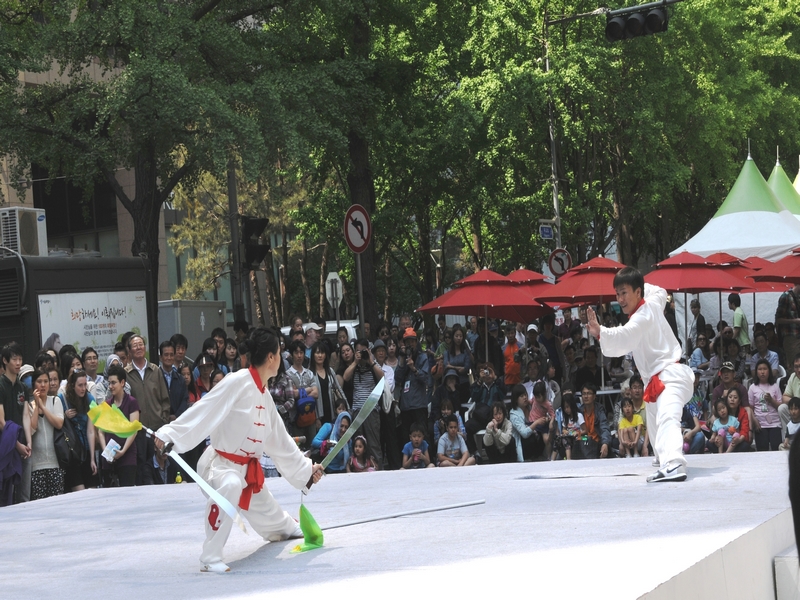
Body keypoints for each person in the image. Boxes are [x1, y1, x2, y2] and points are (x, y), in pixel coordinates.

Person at [154, 327, 324, 573]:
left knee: (278, 523)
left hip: (248, 473)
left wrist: (307, 470)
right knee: (232, 484)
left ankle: (285, 526)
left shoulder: (264, 394)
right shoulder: (237, 381)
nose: (280, 357)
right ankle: (210, 556)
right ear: (271, 357)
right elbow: (205, 409)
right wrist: (168, 434)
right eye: (279, 353)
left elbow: (280, 441)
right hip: (219, 467)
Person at [588, 270, 694, 480]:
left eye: (624, 293)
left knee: (667, 417)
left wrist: (600, 331)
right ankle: (663, 457)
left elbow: (624, 335)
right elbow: (660, 291)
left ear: (638, 292)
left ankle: (674, 463)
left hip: (670, 377)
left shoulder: (641, 317)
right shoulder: (653, 301)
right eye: (617, 294)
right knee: (654, 421)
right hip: (657, 379)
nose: (620, 299)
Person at [125, 334, 170, 486]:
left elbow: (165, 399)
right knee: (141, 467)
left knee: (157, 465)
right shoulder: (126, 373)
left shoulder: (155, 370)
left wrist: (163, 420)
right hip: (138, 430)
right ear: (129, 350)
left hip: (157, 429)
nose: (138, 348)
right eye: (135, 345)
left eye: (141, 344)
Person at [342, 339, 384, 467]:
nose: (361, 353)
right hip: (357, 410)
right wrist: (355, 362)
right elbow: (345, 377)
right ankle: (359, 469)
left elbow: (382, 376)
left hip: (371, 409)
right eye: (358, 351)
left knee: (373, 444)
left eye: (363, 351)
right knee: (358, 444)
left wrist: (370, 361)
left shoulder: (373, 364)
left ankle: (377, 470)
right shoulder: (354, 366)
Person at [0, 343, 33, 504]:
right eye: (14, 359)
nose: (18, 363)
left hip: (23, 443)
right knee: (7, 492)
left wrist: (29, 442)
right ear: (5, 361)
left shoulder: (23, 387)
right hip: (6, 444)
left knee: (24, 494)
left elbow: (26, 415)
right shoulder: (0, 385)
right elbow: (1, 421)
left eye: (20, 359)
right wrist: (17, 445)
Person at [98, 365, 140, 487]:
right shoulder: (107, 404)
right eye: (109, 383)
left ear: (122, 383)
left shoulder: (132, 402)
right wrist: (106, 451)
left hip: (127, 456)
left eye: (113, 383)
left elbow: (134, 430)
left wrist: (122, 451)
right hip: (109, 457)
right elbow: (101, 432)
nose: (110, 386)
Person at [29, 368, 64, 500]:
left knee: (57, 502)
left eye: (46, 381)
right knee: (40, 504)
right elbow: (32, 429)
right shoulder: (29, 405)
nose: (43, 385)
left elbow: (59, 423)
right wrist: (36, 406)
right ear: (33, 384)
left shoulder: (55, 401)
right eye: (39, 382)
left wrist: (43, 407)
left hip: (55, 463)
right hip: (36, 466)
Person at [60, 370, 97, 491]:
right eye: (80, 385)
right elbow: (57, 422)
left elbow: (91, 430)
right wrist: (64, 416)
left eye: (85, 385)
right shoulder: (62, 398)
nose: (83, 388)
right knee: (79, 492)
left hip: (86, 448)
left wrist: (92, 458)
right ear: (72, 385)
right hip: (72, 451)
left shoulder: (90, 398)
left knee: (92, 490)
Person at [395, 329, 429, 441]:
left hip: (419, 405)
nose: (410, 345)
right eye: (407, 342)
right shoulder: (403, 358)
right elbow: (397, 378)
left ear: (416, 342)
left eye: (412, 342)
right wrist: (401, 359)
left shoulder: (422, 357)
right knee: (406, 437)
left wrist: (414, 369)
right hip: (406, 405)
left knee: (422, 436)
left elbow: (425, 378)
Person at [748, 358, 782, 451]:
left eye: (765, 369)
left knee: (776, 450)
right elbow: (750, 408)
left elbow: (780, 406)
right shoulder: (752, 388)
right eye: (760, 369)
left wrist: (771, 400)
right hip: (760, 425)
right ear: (756, 372)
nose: (762, 372)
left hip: (775, 423)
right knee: (762, 451)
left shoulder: (775, 386)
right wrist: (754, 421)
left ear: (769, 371)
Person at [576, 383, 612, 460]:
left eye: (589, 393)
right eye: (584, 394)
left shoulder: (599, 410)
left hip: (597, 442)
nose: (586, 396)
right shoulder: (579, 412)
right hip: (583, 440)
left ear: (594, 396)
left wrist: (605, 443)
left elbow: (604, 427)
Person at [509, 384, 543, 462]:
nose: (525, 397)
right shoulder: (514, 414)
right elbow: (524, 433)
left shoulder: (531, 407)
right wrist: (536, 423)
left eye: (525, 394)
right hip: (523, 445)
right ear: (516, 399)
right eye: (521, 396)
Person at [160, 341, 189, 421]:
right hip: (160, 421)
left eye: (171, 355)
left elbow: (184, 399)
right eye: (166, 355)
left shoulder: (180, 379)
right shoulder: (155, 377)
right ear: (161, 357)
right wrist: (164, 416)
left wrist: (176, 416)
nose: (169, 358)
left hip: (178, 421)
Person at [443, 324, 472, 404]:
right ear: (453, 337)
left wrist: (452, 366)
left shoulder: (466, 352)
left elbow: (465, 368)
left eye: (461, 336)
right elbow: (446, 367)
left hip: (464, 385)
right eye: (456, 336)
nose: (459, 338)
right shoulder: (447, 353)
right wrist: (457, 367)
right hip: (451, 384)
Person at [550, 392, 584, 460]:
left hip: (581, 437)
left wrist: (577, 433)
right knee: (558, 439)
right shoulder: (566, 418)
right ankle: (552, 460)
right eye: (564, 408)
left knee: (566, 440)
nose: (566, 410)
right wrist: (565, 431)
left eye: (567, 407)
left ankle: (568, 459)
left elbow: (586, 431)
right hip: (569, 436)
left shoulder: (579, 416)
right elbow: (564, 429)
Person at [775, 285, 800, 369]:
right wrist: (795, 321)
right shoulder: (786, 296)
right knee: (794, 366)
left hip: (797, 336)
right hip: (791, 337)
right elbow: (778, 319)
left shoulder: (798, 298)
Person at [725, 388, 751, 452]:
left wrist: (738, 440)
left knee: (745, 446)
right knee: (710, 444)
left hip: (737, 440)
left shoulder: (743, 412)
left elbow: (744, 430)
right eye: (730, 397)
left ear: (739, 401)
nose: (732, 399)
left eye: (735, 397)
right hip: (724, 440)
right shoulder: (723, 410)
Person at [781, 355, 800, 437]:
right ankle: (788, 439)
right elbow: (784, 397)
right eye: (796, 367)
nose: (799, 370)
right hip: (797, 408)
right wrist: (796, 403)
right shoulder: (793, 376)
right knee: (782, 408)